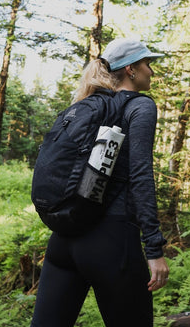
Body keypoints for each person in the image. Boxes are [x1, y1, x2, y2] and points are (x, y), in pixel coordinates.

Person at [30, 37, 169, 327]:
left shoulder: (89, 105)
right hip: (112, 242)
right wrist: (154, 249)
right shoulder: (140, 106)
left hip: (64, 241)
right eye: (147, 64)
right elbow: (141, 175)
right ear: (131, 69)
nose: (151, 71)